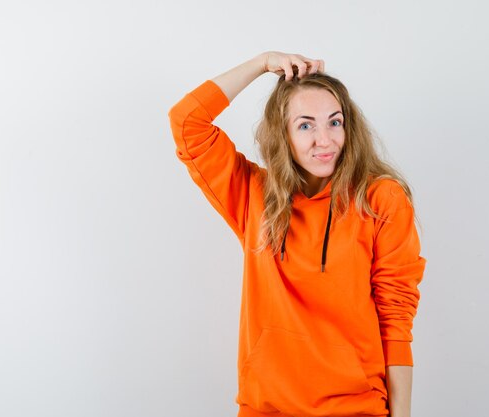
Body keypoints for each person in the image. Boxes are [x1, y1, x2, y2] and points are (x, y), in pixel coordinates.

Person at [167, 51, 427, 417]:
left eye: (334, 122)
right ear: (282, 134)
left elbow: (396, 319)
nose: (325, 140)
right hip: (265, 408)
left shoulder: (380, 199)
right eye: (306, 125)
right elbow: (186, 121)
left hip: (355, 408)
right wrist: (261, 63)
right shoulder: (254, 196)